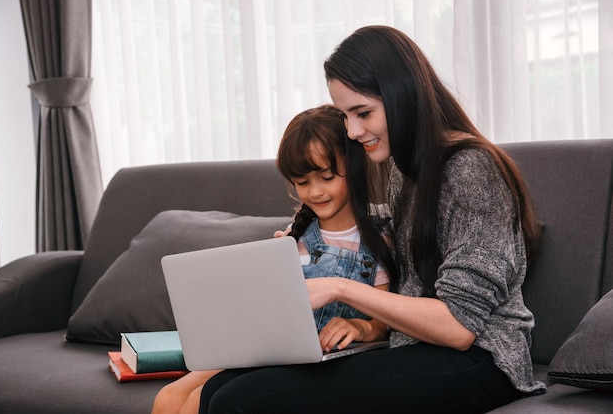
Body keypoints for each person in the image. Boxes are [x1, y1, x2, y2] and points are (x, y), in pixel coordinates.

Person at [198, 25, 546, 414]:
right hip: (414, 347)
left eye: (362, 113)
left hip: (482, 361)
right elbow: (385, 236)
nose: (352, 130)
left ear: (403, 97)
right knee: (219, 389)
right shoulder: (405, 169)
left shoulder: (471, 170)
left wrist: (338, 288)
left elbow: (458, 328)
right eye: (346, 115)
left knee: (242, 400)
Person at [151, 104, 394, 414]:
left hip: (327, 363)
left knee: (197, 404)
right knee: (168, 398)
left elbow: (383, 323)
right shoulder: (297, 234)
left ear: (355, 167)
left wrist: (360, 327)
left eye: (327, 177)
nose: (315, 191)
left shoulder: (378, 236)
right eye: (303, 183)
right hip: (270, 352)